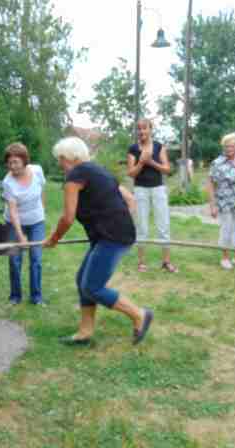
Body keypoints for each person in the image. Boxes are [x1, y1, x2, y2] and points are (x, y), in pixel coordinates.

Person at [43, 137, 153, 346]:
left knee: (92, 286)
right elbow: (129, 199)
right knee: (82, 280)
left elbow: (67, 217)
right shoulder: (99, 171)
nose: (59, 164)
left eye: (60, 159)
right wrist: (117, 219)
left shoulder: (75, 176)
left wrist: (53, 239)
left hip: (111, 237)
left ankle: (140, 314)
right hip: (112, 234)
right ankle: (85, 332)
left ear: (69, 158)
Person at [127, 118, 177, 273]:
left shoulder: (159, 146)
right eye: (139, 129)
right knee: (141, 225)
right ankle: (141, 262)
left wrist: (151, 162)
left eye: (144, 128)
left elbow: (167, 169)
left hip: (158, 189)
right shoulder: (133, 149)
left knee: (164, 225)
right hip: (141, 189)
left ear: (150, 129)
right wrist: (142, 162)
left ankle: (166, 261)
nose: (141, 131)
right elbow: (131, 173)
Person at [2, 142, 46, 305]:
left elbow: (42, 191)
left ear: (24, 161)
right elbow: (13, 211)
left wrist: (42, 212)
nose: (12, 166)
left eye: (15, 162)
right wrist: (21, 237)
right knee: (14, 259)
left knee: (36, 258)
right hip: (14, 222)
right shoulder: (8, 183)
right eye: (9, 162)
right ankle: (15, 296)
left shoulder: (37, 171)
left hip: (36, 221)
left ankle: (36, 297)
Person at [208, 132, 235, 270]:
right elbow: (210, 184)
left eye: (231, 146)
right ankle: (225, 258)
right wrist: (213, 205)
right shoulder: (218, 163)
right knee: (226, 229)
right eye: (226, 147)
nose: (228, 149)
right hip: (224, 202)